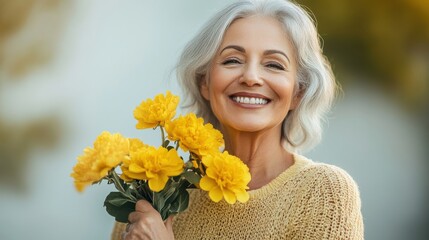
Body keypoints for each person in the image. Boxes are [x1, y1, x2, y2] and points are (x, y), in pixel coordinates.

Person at [112, 0, 364, 239]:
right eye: (232, 60)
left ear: (298, 92)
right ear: (205, 83)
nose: (251, 77)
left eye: (274, 65)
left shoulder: (323, 192)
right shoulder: (152, 195)